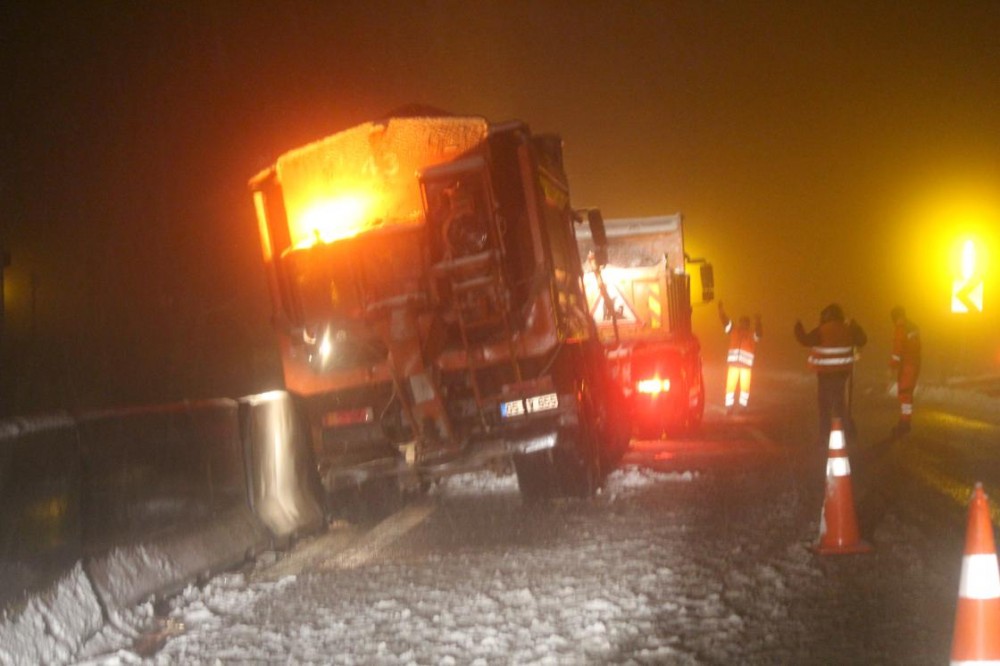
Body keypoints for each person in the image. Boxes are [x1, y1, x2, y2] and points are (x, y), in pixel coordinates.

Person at [794, 303, 867, 443]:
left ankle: (825, 435)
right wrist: (855, 326)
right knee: (840, 405)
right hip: (842, 374)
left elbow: (805, 340)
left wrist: (798, 326)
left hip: (825, 374)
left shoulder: (822, 330)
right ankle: (848, 433)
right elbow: (862, 340)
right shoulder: (848, 329)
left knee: (824, 406)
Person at [719, 301, 762, 414]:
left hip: (745, 367)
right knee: (730, 387)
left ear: (747, 324)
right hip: (734, 365)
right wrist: (721, 311)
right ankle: (729, 407)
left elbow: (759, 334)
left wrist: (758, 322)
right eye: (741, 322)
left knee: (744, 389)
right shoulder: (734, 331)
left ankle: (742, 408)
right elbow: (726, 322)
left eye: (744, 323)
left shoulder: (752, 334)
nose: (742, 324)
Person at [889, 306, 921, 436]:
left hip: (906, 365)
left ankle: (905, 423)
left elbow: (898, 349)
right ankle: (905, 421)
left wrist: (893, 366)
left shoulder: (901, 328)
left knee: (904, 394)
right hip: (915, 363)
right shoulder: (913, 326)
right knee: (908, 394)